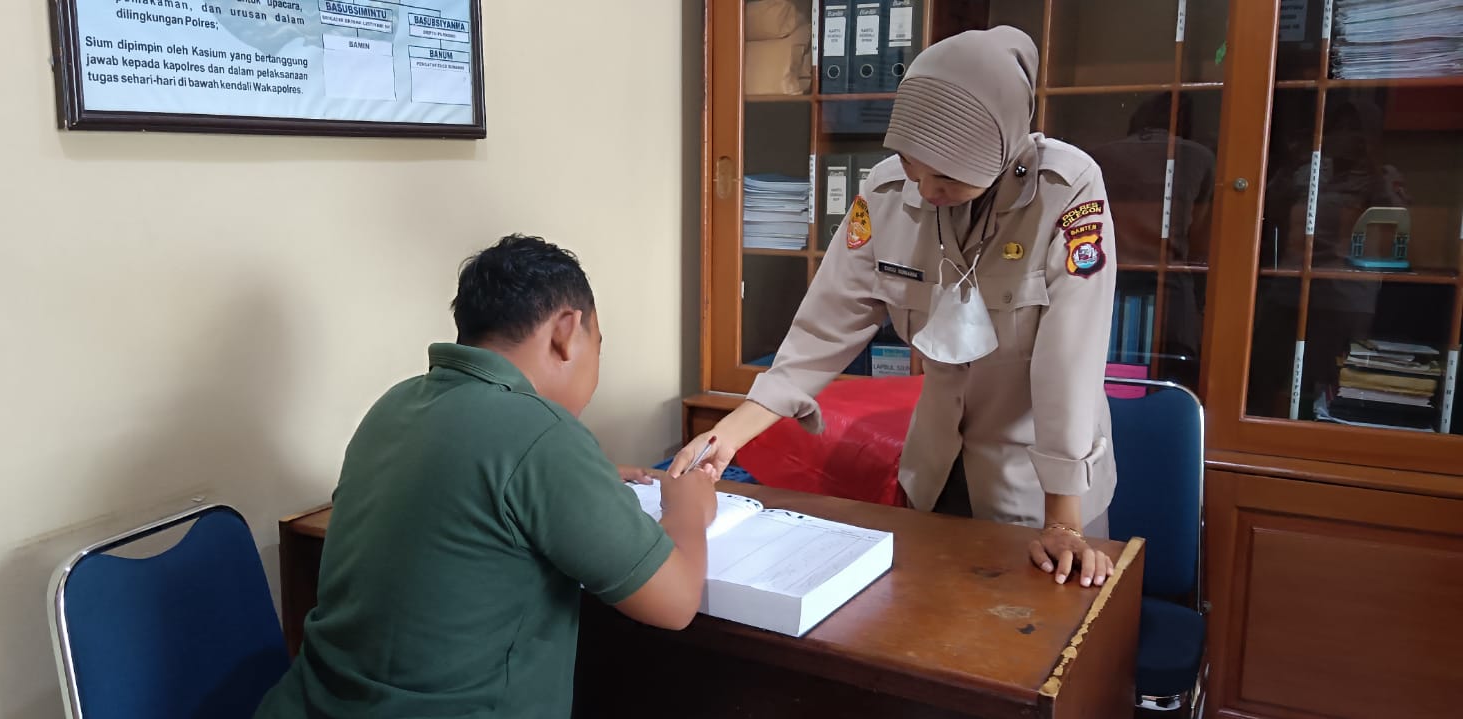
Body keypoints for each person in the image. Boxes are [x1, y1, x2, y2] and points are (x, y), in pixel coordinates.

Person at [672, 26, 1118, 587]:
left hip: (1039, 484)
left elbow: (1069, 363)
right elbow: (824, 328)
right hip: (932, 472)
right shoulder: (885, 193)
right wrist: (729, 436)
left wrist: (1064, 521)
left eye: (947, 176)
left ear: (1003, 151)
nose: (926, 189)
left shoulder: (1067, 191)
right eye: (912, 162)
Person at [255, 234, 718, 719]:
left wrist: (586, 476)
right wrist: (687, 506)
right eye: (597, 346)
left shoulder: (395, 404)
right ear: (566, 331)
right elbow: (676, 603)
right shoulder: (543, 433)